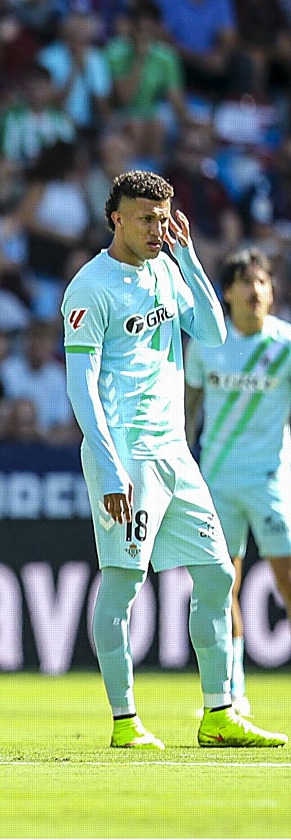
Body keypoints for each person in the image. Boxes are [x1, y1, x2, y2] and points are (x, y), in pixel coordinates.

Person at [61, 170, 286, 750]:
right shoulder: (91, 288)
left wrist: (189, 259)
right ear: (116, 218)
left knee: (217, 573)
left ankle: (218, 712)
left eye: (163, 218)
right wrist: (107, 466)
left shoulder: (167, 265)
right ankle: (125, 720)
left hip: (175, 453)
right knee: (123, 585)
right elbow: (82, 387)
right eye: (145, 218)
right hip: (126, 453)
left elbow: (212, 333)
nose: (157, 228)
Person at [184, 249, 291, 719]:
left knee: (288, 583)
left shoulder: (286, 345)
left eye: (262, 282)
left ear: (273, 291)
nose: (255, 291)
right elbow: (186, 411)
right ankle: (234, 693)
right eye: (245, 282)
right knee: (222, 586)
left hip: (270, 481)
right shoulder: (208, 342)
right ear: (226, 292)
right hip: (217, 482)